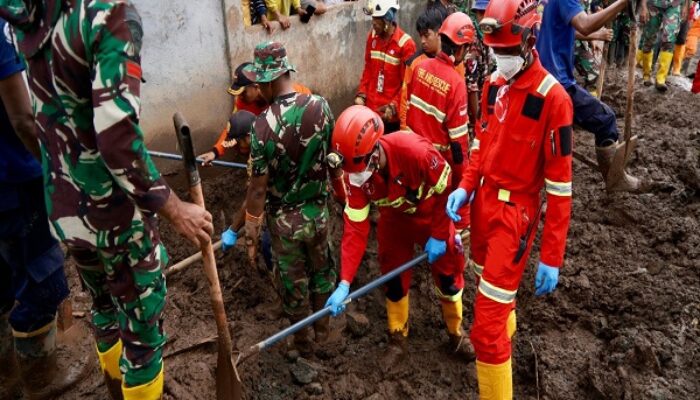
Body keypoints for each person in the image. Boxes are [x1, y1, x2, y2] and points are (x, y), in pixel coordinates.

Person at [0, 2, 214, 399]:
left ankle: (115, 389)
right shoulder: (108, 14)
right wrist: (174, 207)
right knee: (143, 336)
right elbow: (117, 140)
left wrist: (61, 179)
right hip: (113, 215)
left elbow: (30, 121)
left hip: (68, 211)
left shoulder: (36, 12)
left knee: (103, 305)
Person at [446, 1, 573, 397]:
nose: (499, 59)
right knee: (489, 292)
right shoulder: (494, 86)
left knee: (484, 330)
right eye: (494, 51)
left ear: (530, 40)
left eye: (506, 51)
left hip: (514, 216)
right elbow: (482, 143)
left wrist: (551, 256)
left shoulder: (553, 101)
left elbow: (560, 188)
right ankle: (504, 332)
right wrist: (466, 186)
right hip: (483, 206)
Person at [325, 106, 474, 368]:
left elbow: (445, 188)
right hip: (394, 221)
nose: (356, 177)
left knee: (448, 277)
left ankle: (456, 333)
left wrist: (440, 234)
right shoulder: (356, 175)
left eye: (359, 168)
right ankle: (398, 339)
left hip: (431, 217)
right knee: (393, 278)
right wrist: (345, 282)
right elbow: (356, 228)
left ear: (374, 153)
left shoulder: (416, 152)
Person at [0, 16, 81, 399]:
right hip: (13, 181)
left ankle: (9, 380)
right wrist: (58, 176)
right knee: (41, 284)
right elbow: (22, 119)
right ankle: (40, 380)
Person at [243, 42, 337, 357]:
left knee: (293, 281)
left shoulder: (260, 128)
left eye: (259, 83)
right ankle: (324, 331)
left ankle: (303, 342)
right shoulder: (320, 106)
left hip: (284, 223)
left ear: (270, 80)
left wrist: (252, 231)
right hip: (319, 213)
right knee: (322, 271)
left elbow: (257, 190)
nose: (258, 89)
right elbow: (332, 156)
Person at [537, 0, 643, 193]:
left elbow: (570, 28)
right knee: (605, 119)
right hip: (557, 83)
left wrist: (596, 34)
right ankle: (615, 180)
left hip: (543, 77)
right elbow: (584, 25)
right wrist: (622, 3)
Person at [406, 12, 474, 233]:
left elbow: (410, 110)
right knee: (442, 221)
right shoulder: (456, 83)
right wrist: (463, 182)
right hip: (439, 165)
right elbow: (458, 146)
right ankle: (459, 230)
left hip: (414, 156)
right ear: (462, 48)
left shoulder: (419, 68)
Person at [198, 61, 311, 165]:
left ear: (256, 87)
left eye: (243, 92)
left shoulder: (296, 96)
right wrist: (215, 151)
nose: (239, 97)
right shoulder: (243, 102)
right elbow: (232, 127)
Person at [356, 0, 416, 133]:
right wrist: (362, 94)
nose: (373, 22)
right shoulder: (372, 38)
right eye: (373, 18)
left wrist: (393, 106)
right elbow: (368, 69)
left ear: (388, 19)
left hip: (390, 118)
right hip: (371, 111)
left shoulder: (406, 45)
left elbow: (407, 84)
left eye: (377, 18)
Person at [399, 7, 449, 130]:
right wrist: (405, 131)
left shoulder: (453, 60)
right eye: (421, 36)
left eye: (427, 36)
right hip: (419, 132)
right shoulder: (414, 62)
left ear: (439, 33)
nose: (422, 41)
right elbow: (405, 101)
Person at [638, 0, 690, 90]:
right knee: (649, 40)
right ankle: (646, 75)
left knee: (670, 39)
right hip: (653, 3)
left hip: (674, 4)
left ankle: (661, 79)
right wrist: (643, 6)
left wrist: (686, 5)